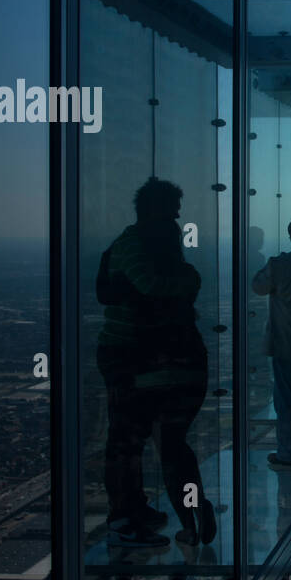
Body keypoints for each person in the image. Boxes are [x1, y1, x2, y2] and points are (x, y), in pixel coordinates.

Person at [97, 177, 216, 548]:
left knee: (132, 439)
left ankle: (133, 511)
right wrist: (188, 279)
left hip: (136, 357)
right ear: (156, 211)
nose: (177, 219)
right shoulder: (138, 245)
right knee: (136, 441)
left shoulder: (139, 243)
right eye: (172, 211)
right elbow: (151, 286)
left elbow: (144, 289)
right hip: (131, 357)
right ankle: (129, 516)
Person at [251, 215, 291, 468]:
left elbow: (258, 287)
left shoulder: (281, 263)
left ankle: (288, 453)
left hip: (287, 344)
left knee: (286, 402)